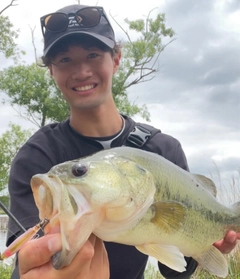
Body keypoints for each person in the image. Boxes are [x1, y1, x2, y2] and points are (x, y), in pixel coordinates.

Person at [6, 4, 240, 279]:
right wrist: (32, 265)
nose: (81, 71)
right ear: (51, 72)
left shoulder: (164, 150)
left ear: (116, 59)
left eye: (93, 55)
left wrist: (204, 245)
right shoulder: (36, 157)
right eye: (65, 60)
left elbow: (175, 271)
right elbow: (24, 259)